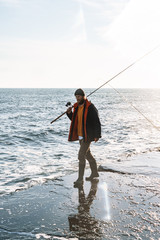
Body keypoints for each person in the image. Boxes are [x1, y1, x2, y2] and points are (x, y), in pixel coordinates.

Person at [67, 88, 101, 187]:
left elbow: (96, 121)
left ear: (83, 96)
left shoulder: (90, 107)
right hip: (81, 135)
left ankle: (80, 180)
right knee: (87, 155)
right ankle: (95, 173)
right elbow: (75, 120)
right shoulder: (77, 107)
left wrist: (97, 135)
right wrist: (69, 113)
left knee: (81, 155)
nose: (77, 98)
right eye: (76, 97)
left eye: (79, 96)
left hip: (88, 135)